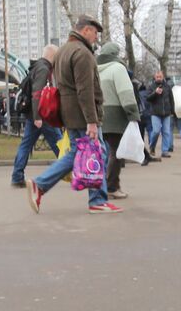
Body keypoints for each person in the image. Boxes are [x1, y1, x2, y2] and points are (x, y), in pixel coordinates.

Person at [27, 16, 120, 214]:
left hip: (68, 113)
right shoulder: (82, 53)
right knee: (97, 153)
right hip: (82, 115)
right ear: (86, 30)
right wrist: (92, 121)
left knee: (81, 152)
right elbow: (85, 90)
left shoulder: (62, 51)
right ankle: (96, 200)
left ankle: (41, 185)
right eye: (95, 33)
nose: (96, 38)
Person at [11, 43, 62, 187]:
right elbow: (37, 93)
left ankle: (17, 176)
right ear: (52, 55)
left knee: (26, 145)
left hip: (34, 115)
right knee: (58, 143)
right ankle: (72, 172)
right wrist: (38, 116)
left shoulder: (37, 67)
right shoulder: (43, 69)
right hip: (42, 115)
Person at [96, 40, 139, 200]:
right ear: (115, 54)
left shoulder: (96, 70)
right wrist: (133, 113)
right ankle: (112, 186)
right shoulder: (118, 68)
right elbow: (126, 92)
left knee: (107, 152)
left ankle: (106, 185)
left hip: (100, 114)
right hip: (115, 116)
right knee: (117, 152)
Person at [146, 71, 175, 159]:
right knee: (156, 131)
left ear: (163, 77)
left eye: (160, 77)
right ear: (155, 77)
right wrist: (155, 93)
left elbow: (171, 99)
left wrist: (172, 111)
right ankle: (152, 146)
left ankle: (165, 151)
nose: (159, 78)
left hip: (166, 113)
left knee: (166, 132)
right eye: (157, 77)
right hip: (155, 113)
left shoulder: (167, 87)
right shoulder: (151, 87)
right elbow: (148, 98)